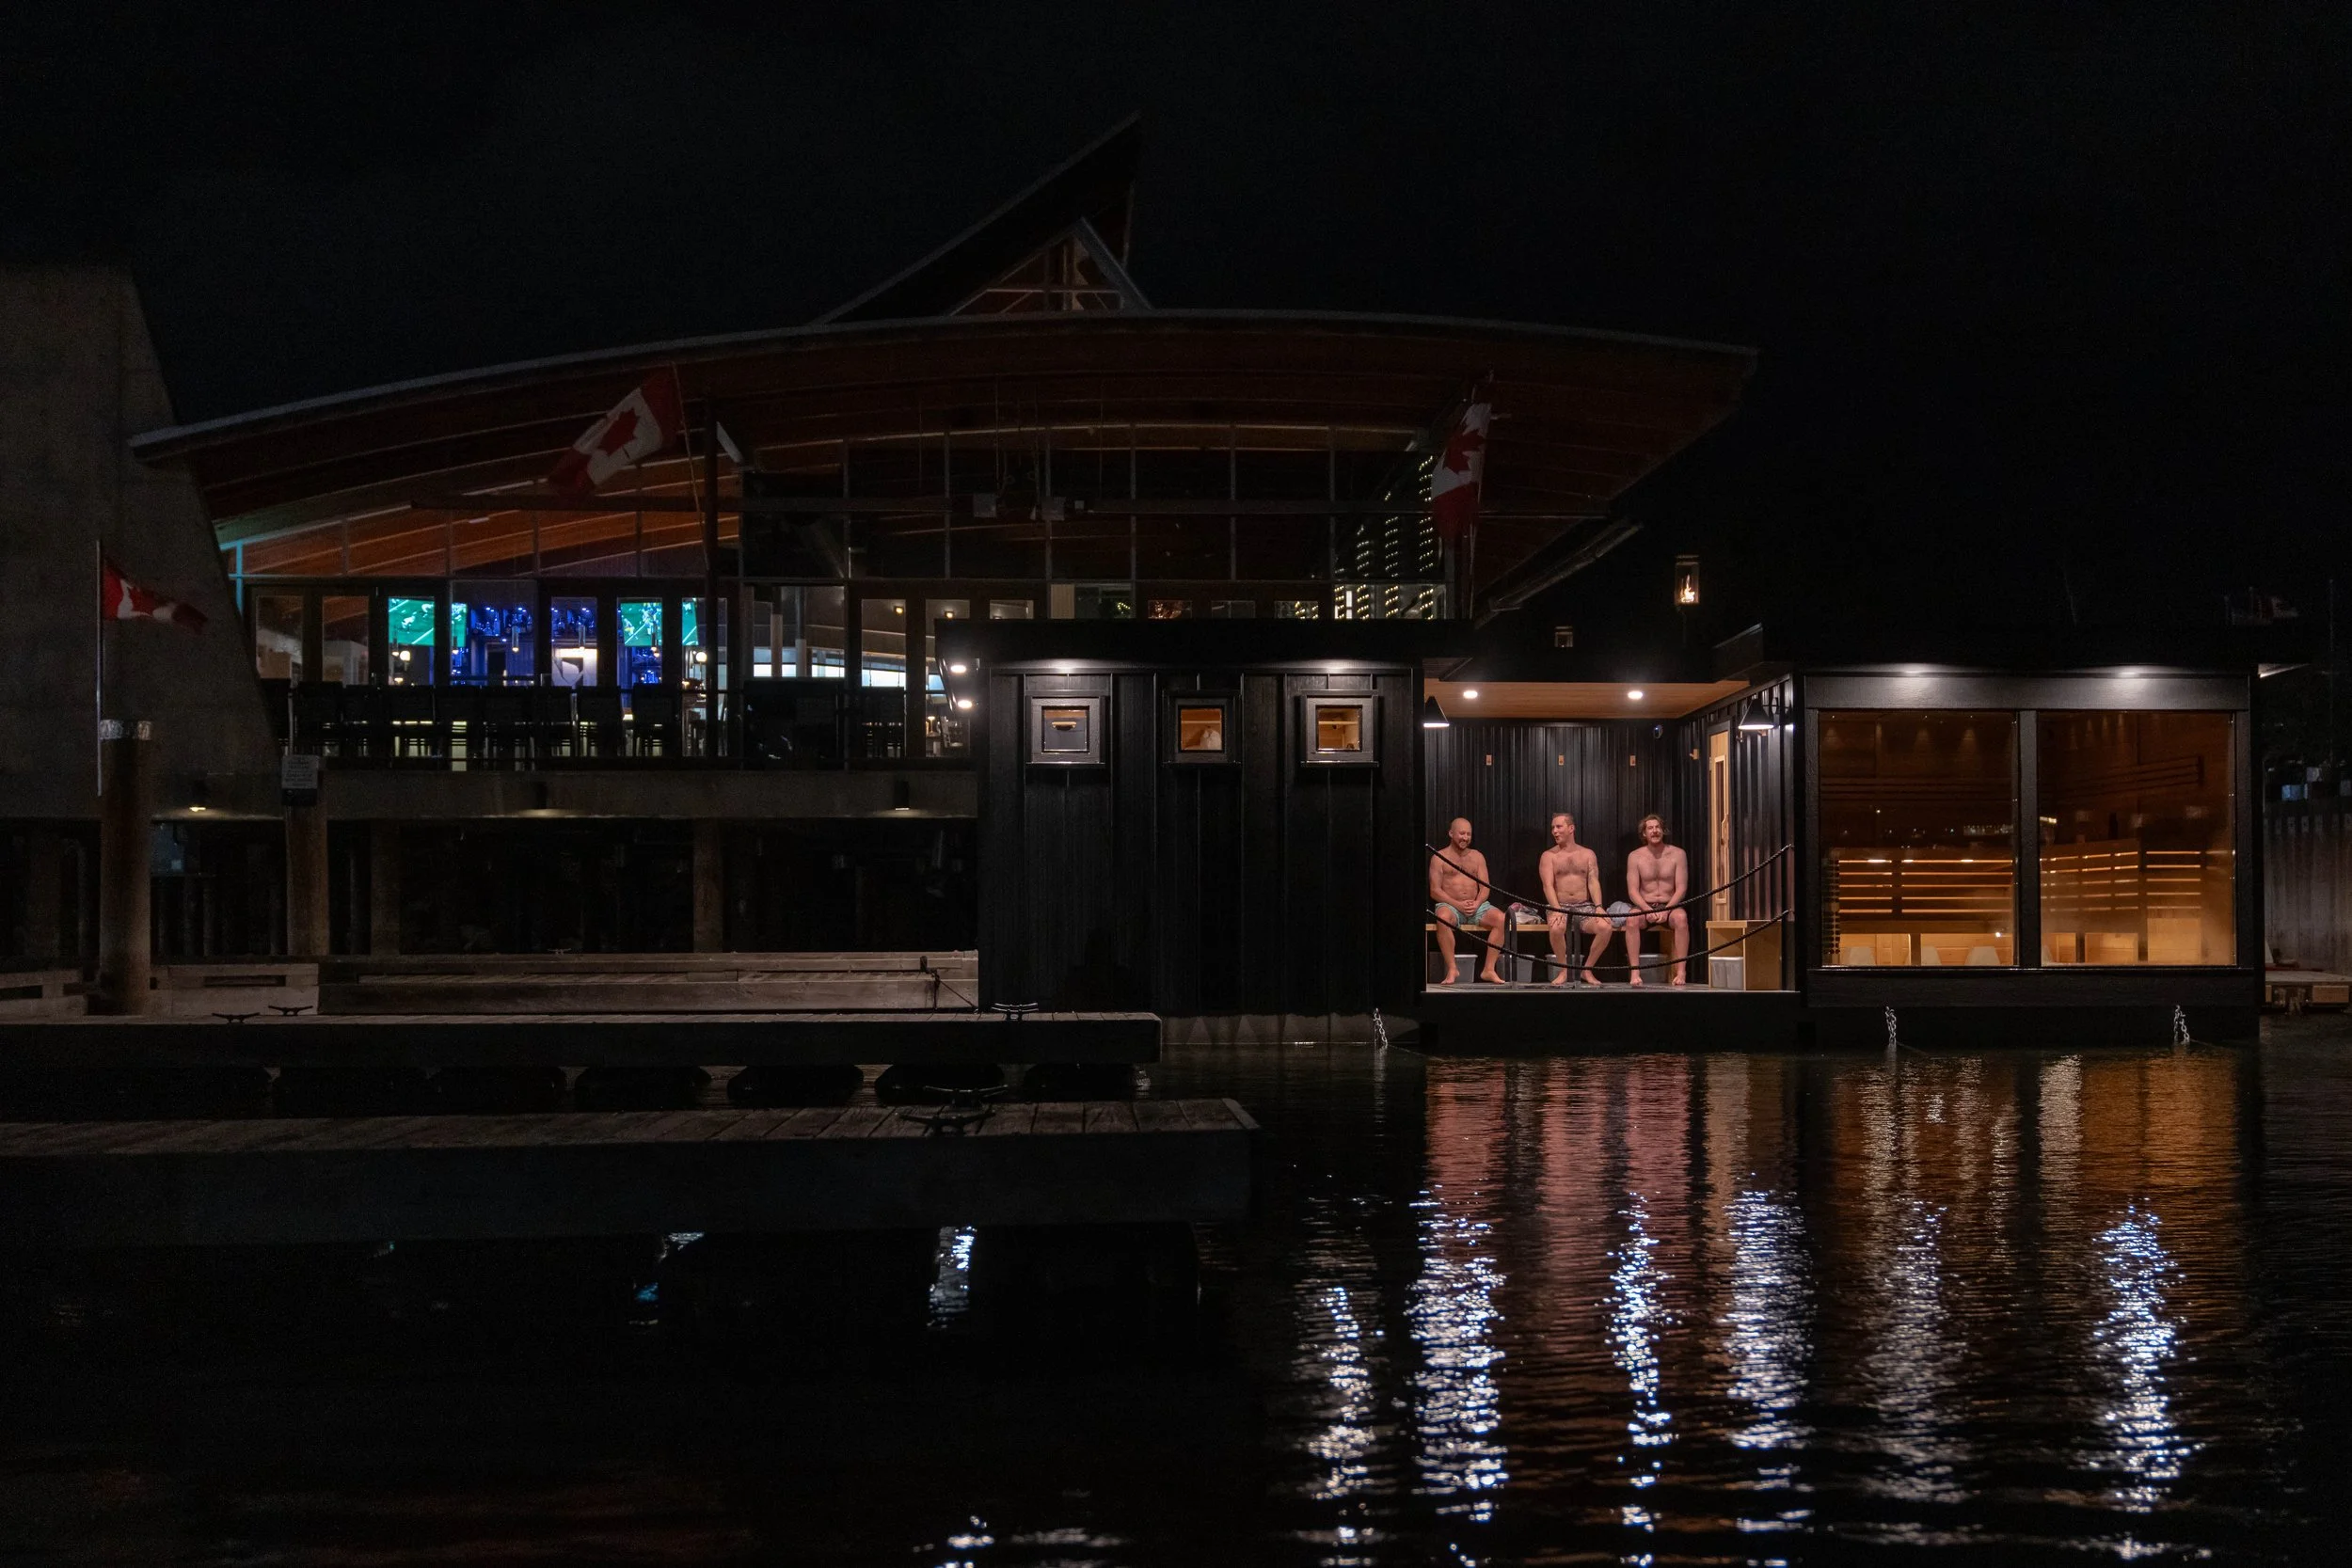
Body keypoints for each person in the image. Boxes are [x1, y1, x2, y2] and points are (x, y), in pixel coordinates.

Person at [1537, 811, 1615, 988]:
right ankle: (1564, 969)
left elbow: (1593, 881)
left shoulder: (1588, 854)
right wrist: (1556, 909)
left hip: (1584, 906)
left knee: (1605, 926)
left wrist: (1599, 906)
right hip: (1560, 905)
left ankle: (1587, 969)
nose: (1554, 831)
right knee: (1557, 928)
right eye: (1553, 828)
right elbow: (1547, 885)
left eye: (1559, 827)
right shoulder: (1548, 856)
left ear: (1571, 828)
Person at [1429, 817, 1507, 984]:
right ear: (1451, 833)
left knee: (1501, 919)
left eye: (1468, 834)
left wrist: (1477, 903)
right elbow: (1435, 891)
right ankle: (1452, 969)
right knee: (1442, 918)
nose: (1465, 838)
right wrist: (1457, 904)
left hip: (1476, 906)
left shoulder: (1477, 856)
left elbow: (1485, 887)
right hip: (1451, 906)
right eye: (1461, 833)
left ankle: (1488, 969)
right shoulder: (1439, 857)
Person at [1625, 813, 1690, 986]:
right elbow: (1632, 891)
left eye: (1658, 827)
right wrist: (1646, 909)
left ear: (1663, 830)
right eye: (1650, 828)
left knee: (1681, 918)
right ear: (1644, 833)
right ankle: (1635, 973)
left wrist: (1667, 909)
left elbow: (1681, 888)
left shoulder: (1678, 854)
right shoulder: (1635, 856)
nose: (1655, 831)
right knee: (1631, 919)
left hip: (1670, 905)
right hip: (1645, 905)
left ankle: (1681, 972)